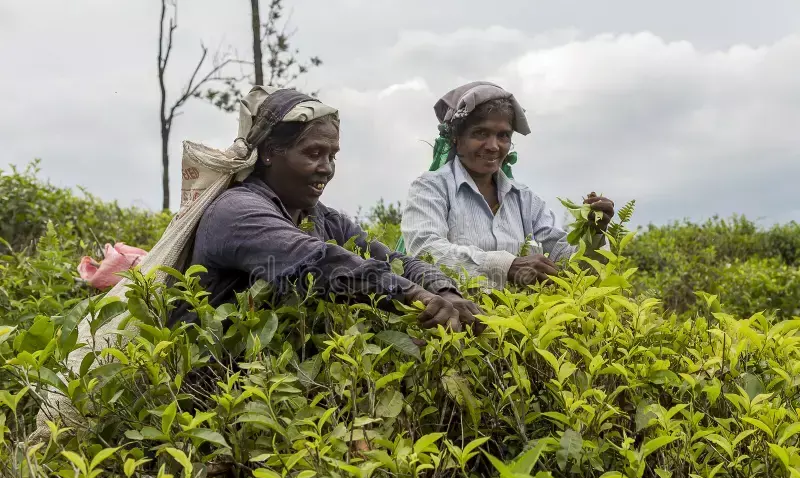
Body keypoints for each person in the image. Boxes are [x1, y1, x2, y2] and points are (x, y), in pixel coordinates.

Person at [169, 86, 481, 332]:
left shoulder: (320, 218)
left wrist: (445, 291)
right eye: (313, 153)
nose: (326, 168)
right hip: (213, 381)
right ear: (269, 153)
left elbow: (394, 261)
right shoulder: (237, 211)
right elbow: (318, 262)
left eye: (332, 156)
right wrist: (416, 295)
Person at [400, 81, 615, 289]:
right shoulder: (431, 188)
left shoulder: (526, 201)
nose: (493, 146)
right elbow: (425, 250)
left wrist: (594, 233)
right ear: (456, 137)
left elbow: (571, 266)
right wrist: (506, 266)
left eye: (503, 135)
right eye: (481, 133)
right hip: (453, 313)